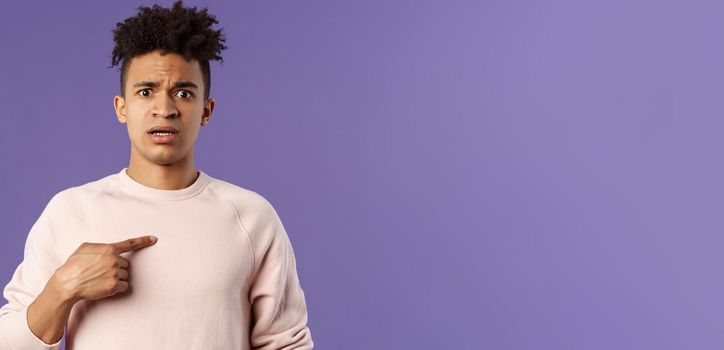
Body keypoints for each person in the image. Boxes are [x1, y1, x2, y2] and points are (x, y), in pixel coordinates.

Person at [0, 1, 314, 349]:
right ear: (122, 108)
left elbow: (287, 343)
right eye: (146, 91)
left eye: (183, 92)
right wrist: (62, 289)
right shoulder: (71, 211)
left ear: (206, 110)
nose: (164, 109)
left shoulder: (253, 218)